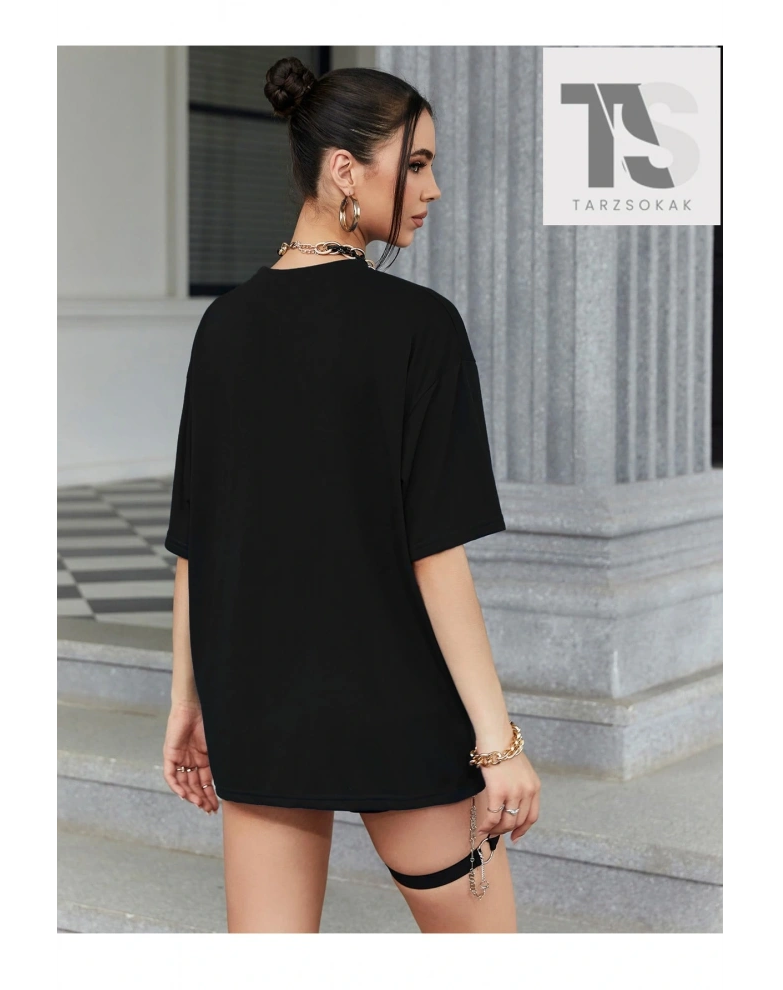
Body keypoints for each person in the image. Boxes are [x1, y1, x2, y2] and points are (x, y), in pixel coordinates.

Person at [162, 56, 541, 934]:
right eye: (417, 164)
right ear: (344, 169)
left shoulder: (224, 326)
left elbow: (195, 540)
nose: (433, 189)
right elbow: (434, 550)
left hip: (257, 704)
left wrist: (188, 702)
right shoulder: (419, 326)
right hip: (392, 704)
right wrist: (498, 742)